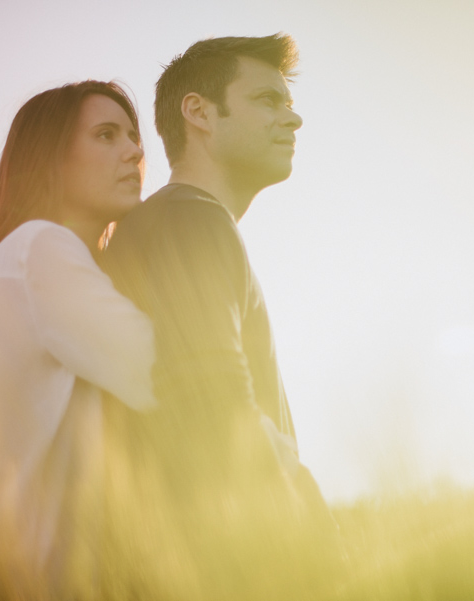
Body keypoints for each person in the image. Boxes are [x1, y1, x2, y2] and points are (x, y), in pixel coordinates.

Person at [101, 34, 341, 599]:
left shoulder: (170, 223)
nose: (293, 118)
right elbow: (213, 399)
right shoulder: (190, 222)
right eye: (267, 100)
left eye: (287, 102)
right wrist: (315, 550)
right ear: (199, 112)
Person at [0, 81, 155, 601]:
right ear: (50, 159)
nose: (134, 152)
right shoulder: (41, 247)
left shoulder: (34, 257)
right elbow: (167, 372)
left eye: (133, 137)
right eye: (106, 135)